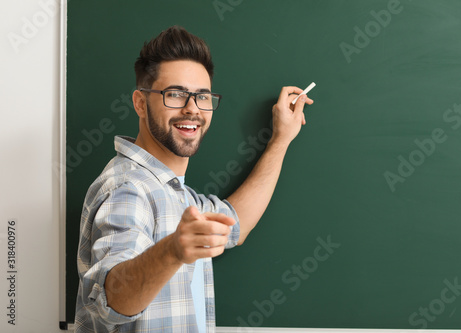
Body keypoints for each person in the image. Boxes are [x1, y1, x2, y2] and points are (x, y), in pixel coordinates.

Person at [74, 25, 313, 333]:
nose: (192, 109)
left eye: (202, 97)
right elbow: (111, 299)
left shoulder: (173, 192)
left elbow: (235, 223)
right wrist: (172, 250)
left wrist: (281, 139)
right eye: (175, 94)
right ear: (139, 103)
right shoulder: (128, 188)